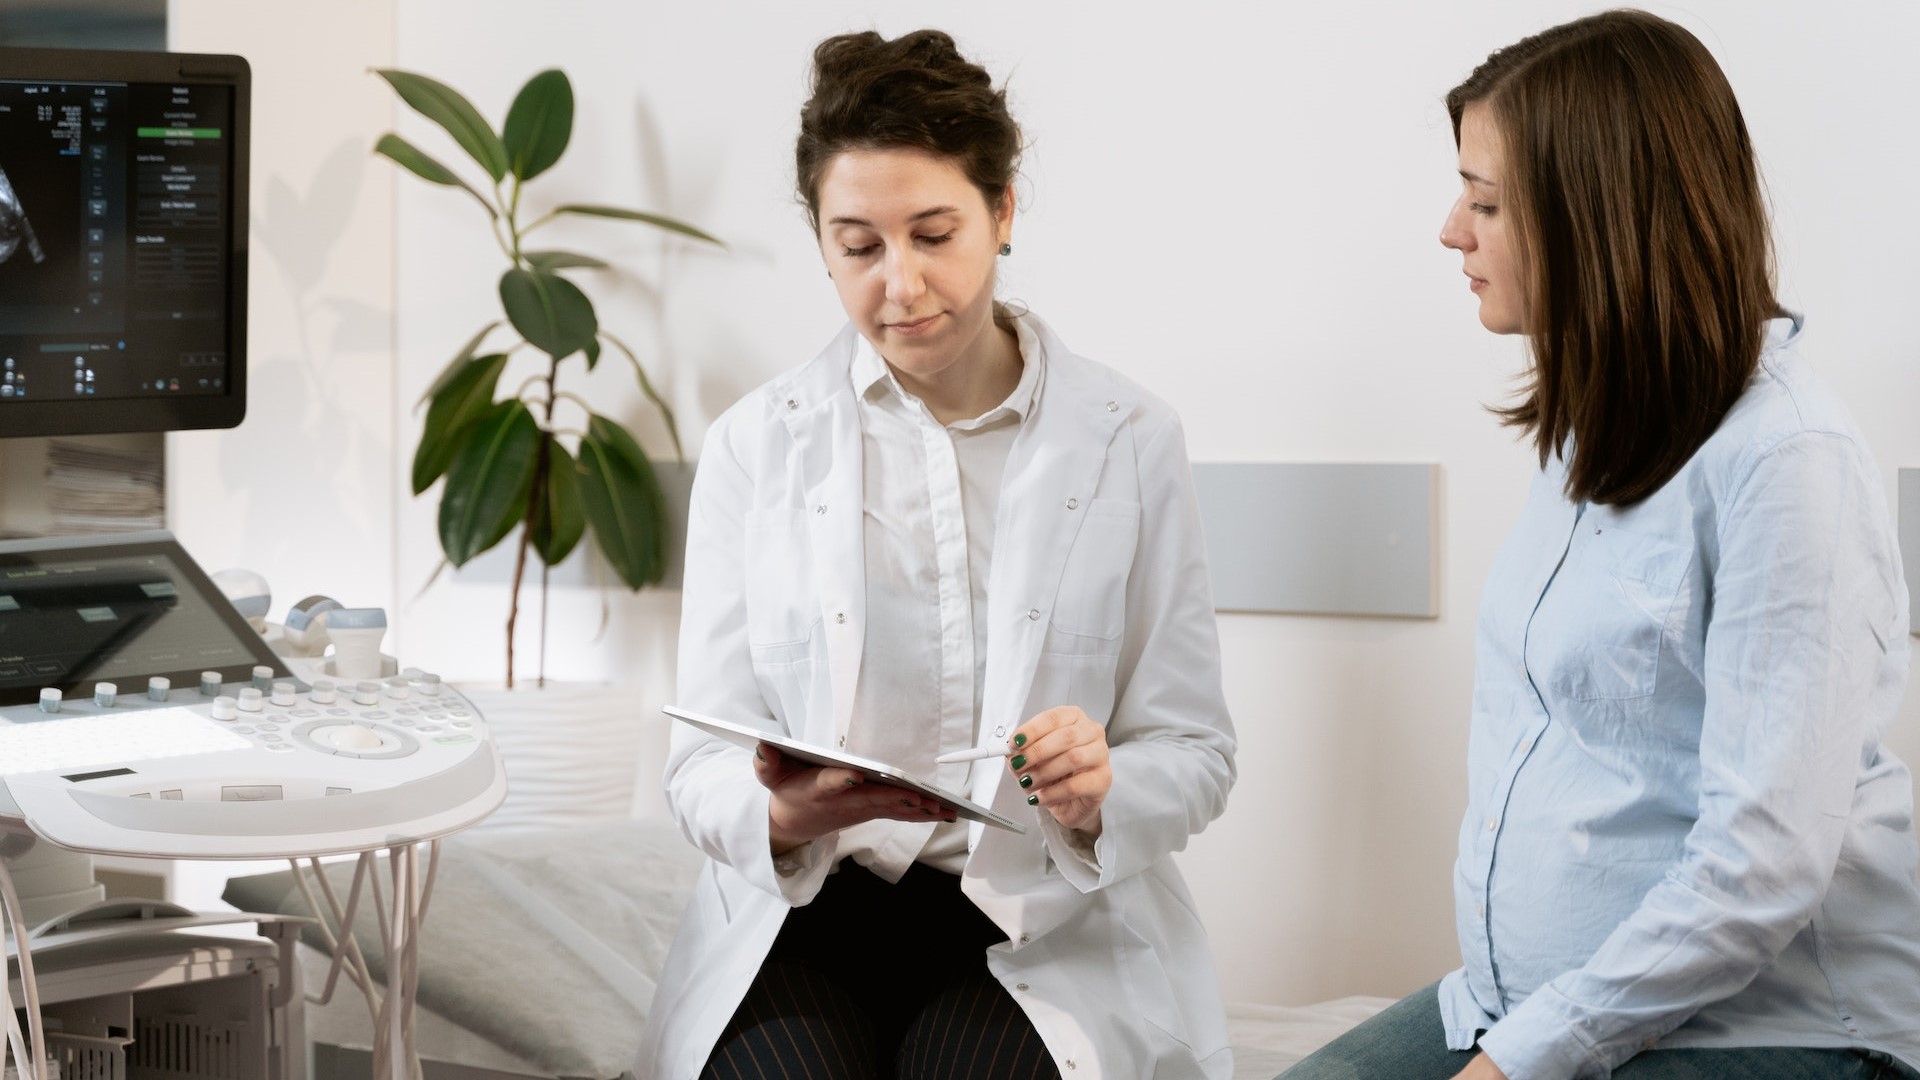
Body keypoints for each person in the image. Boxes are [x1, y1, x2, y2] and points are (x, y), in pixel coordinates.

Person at [1282, 10, 1920, 1080]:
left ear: (1598, 217)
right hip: (1520, 1000)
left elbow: (1762, 865)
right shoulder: (1599, 426)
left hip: (1766, 1024)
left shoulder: (1786, 463)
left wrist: (1527, 1058)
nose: (1451, 230)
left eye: (1485, 202)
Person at [635, 28, 1238, 1080]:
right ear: (821, 241)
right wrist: (781, 812)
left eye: (934, 234)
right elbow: (698, 767)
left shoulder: (1129, 440)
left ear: (1003, 214)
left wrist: (1103, 792)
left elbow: (1195, 750)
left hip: (1032, 919)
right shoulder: (755, 446)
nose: (899, 285)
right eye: (859, 245)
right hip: (808, 914)